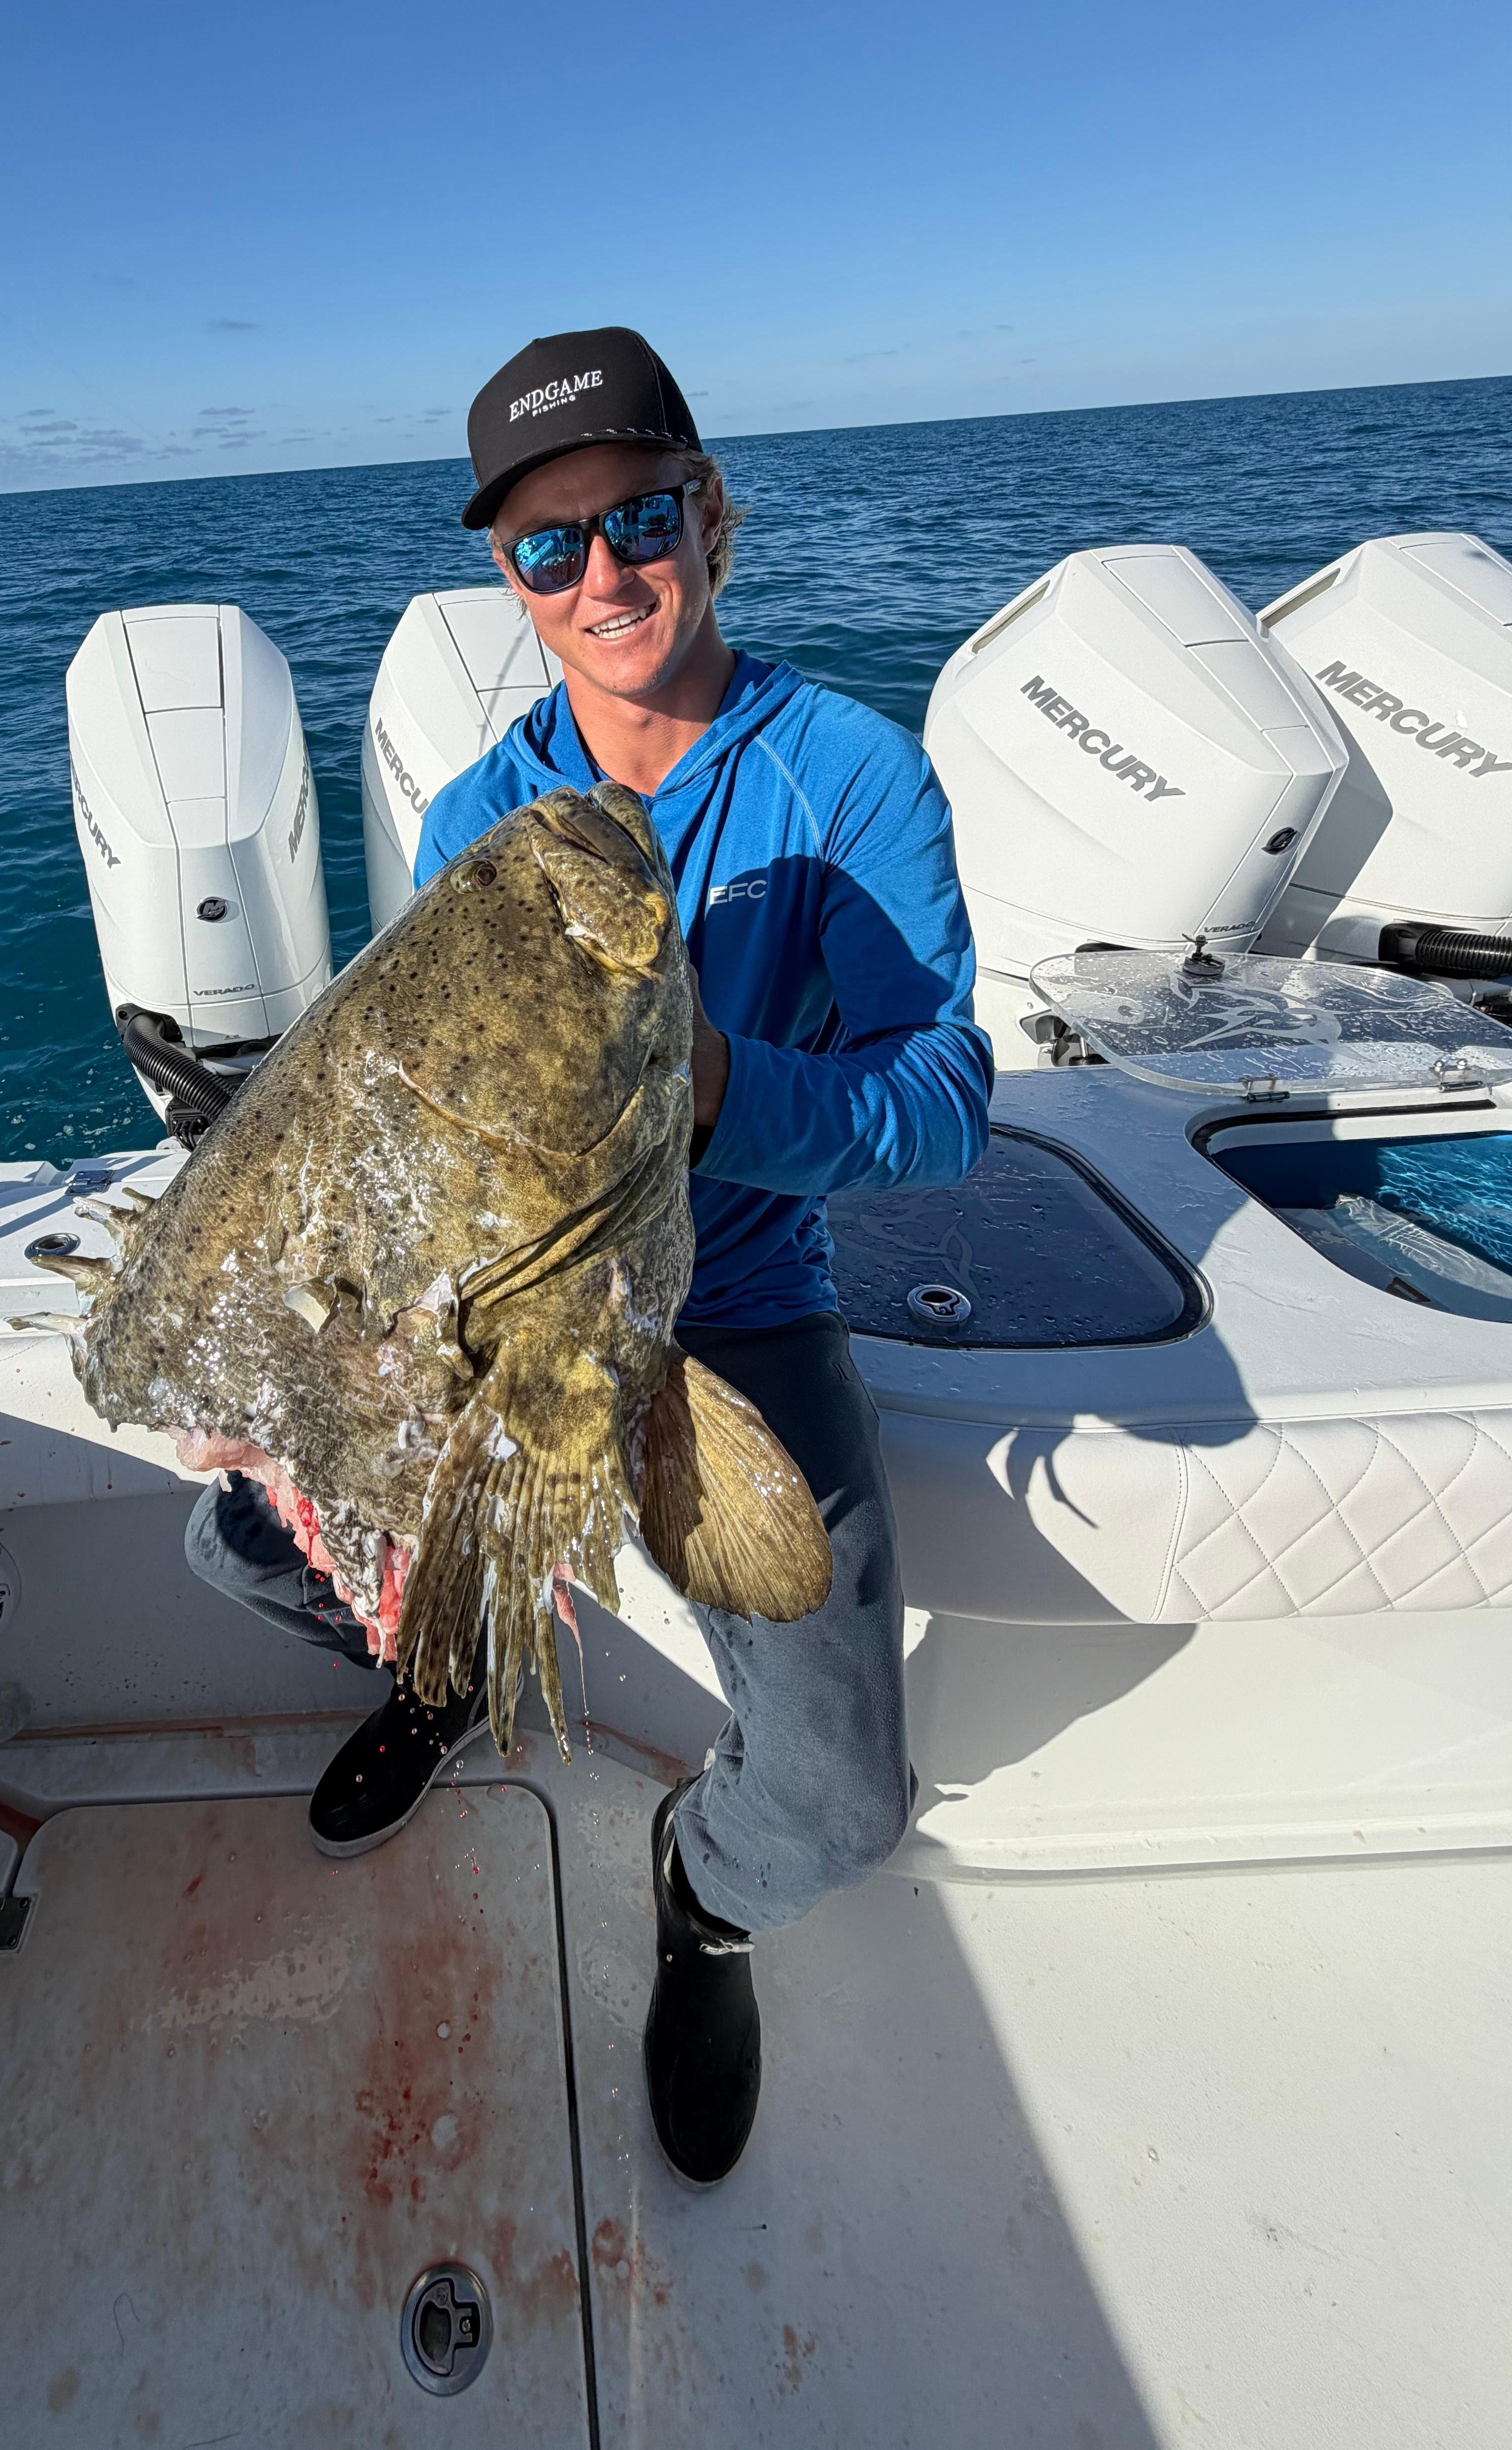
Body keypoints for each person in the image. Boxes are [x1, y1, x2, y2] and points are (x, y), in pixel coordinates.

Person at [185, 325, 992, 2184]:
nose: (604, 575)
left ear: (708, 515)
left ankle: (699, 1903)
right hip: (504, 1315)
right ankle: (449, 1665)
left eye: (636, 520)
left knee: (840, 1801)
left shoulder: (847, 779)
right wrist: (299, 1364)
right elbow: (409, 1131)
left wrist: (715, 1087)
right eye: (552, 547)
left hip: (741, 1310)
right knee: (228, 1541)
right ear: (507, 577)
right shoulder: (483, 818)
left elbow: (943, 1100)